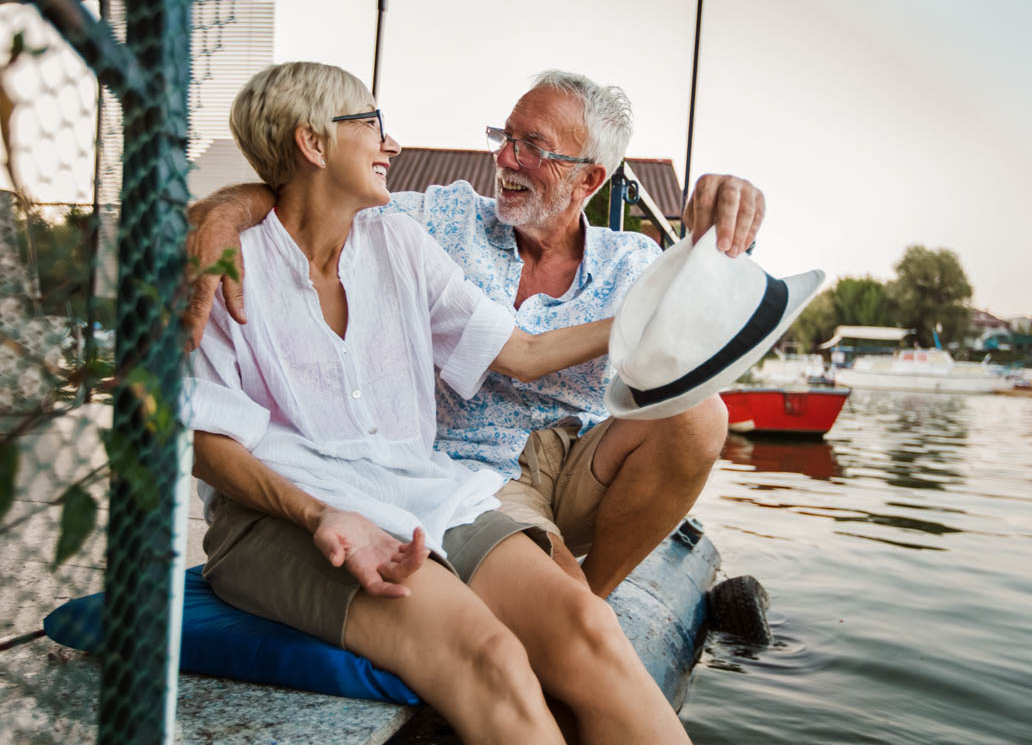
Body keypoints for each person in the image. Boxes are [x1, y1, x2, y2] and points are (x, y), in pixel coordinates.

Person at [192, 60, 692, 744]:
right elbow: (203, 440)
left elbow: (520, 352)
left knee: (591, 631)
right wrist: (322, 513)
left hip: (426, 490)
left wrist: (654, 318)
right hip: (281, 513)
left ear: (588, 178)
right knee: (494, 659)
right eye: (372, 126)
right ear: (313, 144)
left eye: (533, 145)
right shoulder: (226, 268)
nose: (390, 144)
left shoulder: (398, 239)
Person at [186, 69, 766, 598]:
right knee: (552, 595)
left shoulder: (633, 262)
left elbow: (717, 316)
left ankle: (597, 597)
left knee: (702, 414)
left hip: (585, 464)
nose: (506, 159)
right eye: (504, 137)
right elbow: (316, 192)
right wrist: (227, 211)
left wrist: (722, 229)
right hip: (472, 472)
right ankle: (572, 613)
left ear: (590, 177)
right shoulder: (434, 220)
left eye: (532, 147)